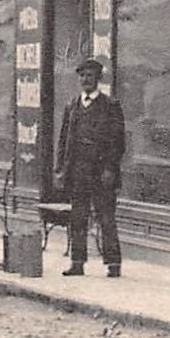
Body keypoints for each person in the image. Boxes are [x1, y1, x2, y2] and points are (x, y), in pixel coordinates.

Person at [54, 58, 125, 278]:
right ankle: (77, 262)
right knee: (78, 217)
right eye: (82, 76)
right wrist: (60, 169)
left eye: (90, 76)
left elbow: (118, 142)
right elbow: (64, 139)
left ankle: (113, 264)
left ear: (98, 79)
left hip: (101, 172)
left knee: (106, 218)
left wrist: (110, 169)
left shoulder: (110, 106)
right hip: (78, 171)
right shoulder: (72, 105)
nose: (85, 80)